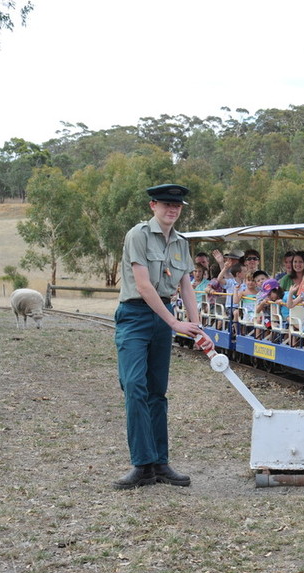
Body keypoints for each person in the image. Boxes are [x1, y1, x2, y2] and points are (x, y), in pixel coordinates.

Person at [113, 183, 206, 490]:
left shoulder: (181, 242)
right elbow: (143, 285)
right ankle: (142, 464)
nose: (172, 209)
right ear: (153, 205)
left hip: (162, 317)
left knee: (157, 392)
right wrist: (175, 323)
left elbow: (186, 286)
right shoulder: (137, 235)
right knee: (135, 387)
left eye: (177, 205)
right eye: (166, 203)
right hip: (135, 317)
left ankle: (160, 464)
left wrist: (197, 327)